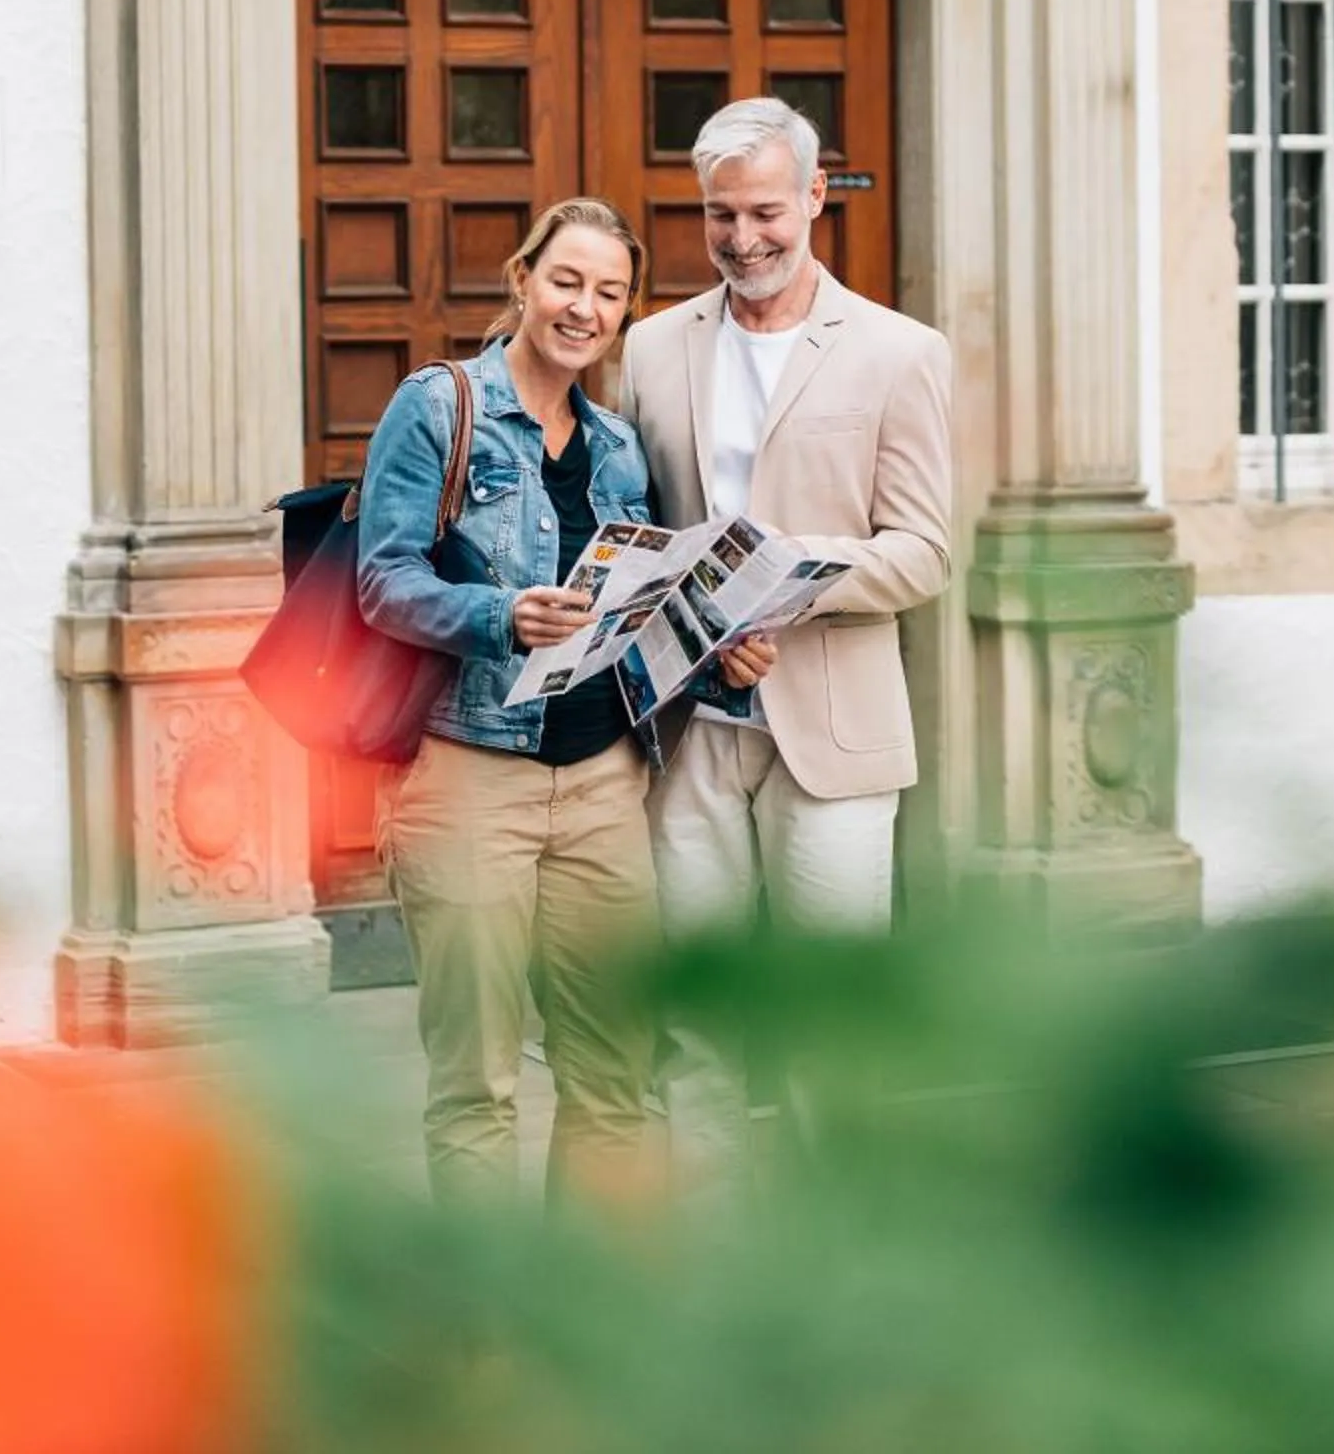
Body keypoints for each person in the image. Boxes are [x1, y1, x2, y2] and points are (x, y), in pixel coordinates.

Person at [355, 198, 733, 1210]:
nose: (585, 306)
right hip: (472, 771)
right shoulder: (440, 406)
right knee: (476, 1081)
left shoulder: (616, 445)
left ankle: (590, 1326)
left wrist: (720, 642)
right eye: (567, 280)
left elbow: (636, 606)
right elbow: (382, 580)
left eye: (609, 292)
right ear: (522, 278)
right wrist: (498, 613)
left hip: (604, 781)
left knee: (615, 1076)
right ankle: (484, 1340)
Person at [616, 97, 953, 1195]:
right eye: (719, 216)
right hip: (690, 732)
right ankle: (703, 1261)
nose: (743, 238)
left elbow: (924, 552)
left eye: (764, 210)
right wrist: (697, 625)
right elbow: (637, 534)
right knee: (695, 1024)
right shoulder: (652, 347)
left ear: (815, 195)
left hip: (836, 738)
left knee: (828, 1026)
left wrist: (777, 588)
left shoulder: (903, 354)